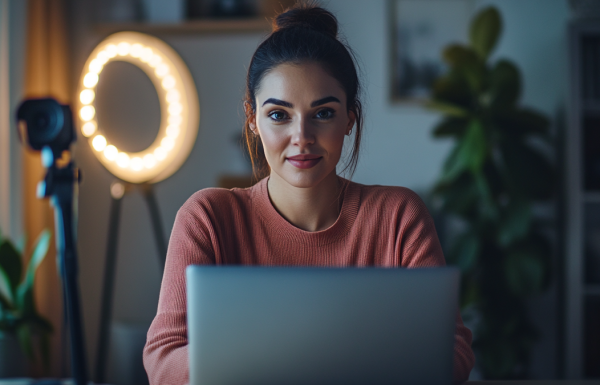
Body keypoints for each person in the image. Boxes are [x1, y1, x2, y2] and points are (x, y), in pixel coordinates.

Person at [143, 4, 475, 385]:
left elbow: (454, 352)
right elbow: (163, 359)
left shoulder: (399, 216)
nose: (301, 137)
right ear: (252, 118)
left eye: (323, 113)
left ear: (350, 118)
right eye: (279, 115)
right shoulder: (207, 218)